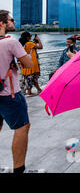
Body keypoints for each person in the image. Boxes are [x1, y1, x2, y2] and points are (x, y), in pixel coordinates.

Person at [0, 10, 41, 173]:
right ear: (1, 23)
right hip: (9, 94)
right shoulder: (10, 43)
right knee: (22, 128)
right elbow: (29, 63)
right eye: (11, 20)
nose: (14, 23)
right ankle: (19, 169)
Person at [18, 32, 43, 96]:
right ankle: (29, 92)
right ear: (27, 37)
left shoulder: (22, 43)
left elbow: (31, 47)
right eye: (30, 36)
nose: (31, 37)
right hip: (32, 63)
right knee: (31, 77)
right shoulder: (29, 43)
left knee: (30, 77)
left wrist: (34, 41)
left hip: (25, 62)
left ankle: (39, 89)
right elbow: (40, 47)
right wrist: (39, 40)